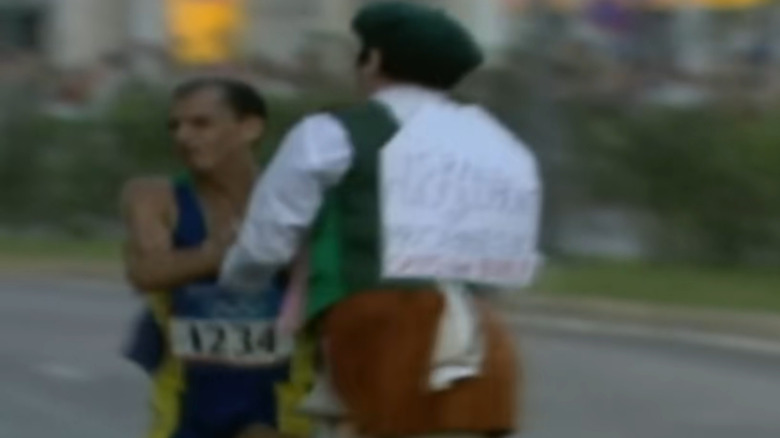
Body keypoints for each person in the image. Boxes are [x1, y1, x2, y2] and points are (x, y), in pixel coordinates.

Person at [220, 2, 542, 438]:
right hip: (483, 335)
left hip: (381, 329)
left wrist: (235, 279)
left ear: (372, 60)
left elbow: (265, 244)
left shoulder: (331, 134)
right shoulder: (498, 142)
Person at [121, 77, 313, 438]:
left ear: (250, 128)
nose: (183, 136)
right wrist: (226, 252)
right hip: (186, 399)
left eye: (201, 123)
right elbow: (145, 272)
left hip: (277, 396)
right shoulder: (154, 195)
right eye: (175, 126)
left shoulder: (297, 200)